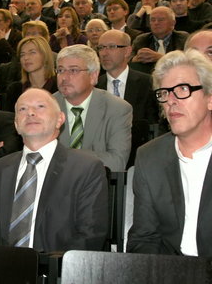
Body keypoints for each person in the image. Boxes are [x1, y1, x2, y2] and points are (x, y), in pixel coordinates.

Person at [0, 88, 108, 251]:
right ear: (16, 125)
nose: (30, 113)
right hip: (3, 269)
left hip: (59, 271)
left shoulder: (86, 168)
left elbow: (90, 234)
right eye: (23, 109)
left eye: (40, 107)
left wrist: (50, 269)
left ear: (60, 119)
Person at [127, 50, 212, 257]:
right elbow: (144, 237)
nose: (171, 100)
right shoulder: (150, 156)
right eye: (164, 93)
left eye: (182, 89)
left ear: (210, 99)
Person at [54, 44, 132, 171]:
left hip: (97, 186)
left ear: (93, 76)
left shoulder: (117, 109)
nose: (64, 77)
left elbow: (117, 162)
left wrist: (68, 157)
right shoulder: (46, 106)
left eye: (73, 70)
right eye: (61, 70)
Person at [96, 30, 159, 166]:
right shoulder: (93, 86)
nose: (104, 53)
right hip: (101, 162)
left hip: (139, 160)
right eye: (101, 47)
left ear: (127, 51)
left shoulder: (147, 83)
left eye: (112, 47)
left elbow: (153, 125)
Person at [5, 36, 57, 112]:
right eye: (22, 54)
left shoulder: (59, 87)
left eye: (32, 52)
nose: (26, 58)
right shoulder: (15, 90)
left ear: (45, 55)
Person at [131, 7, 188, 74]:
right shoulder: (141, 40)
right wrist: (134, 59)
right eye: (152, 20)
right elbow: (128, 61)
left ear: (173, 23)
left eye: (161, 20)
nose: (156, 23)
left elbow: (189, 62)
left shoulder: (184, 39)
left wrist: (161, 57)